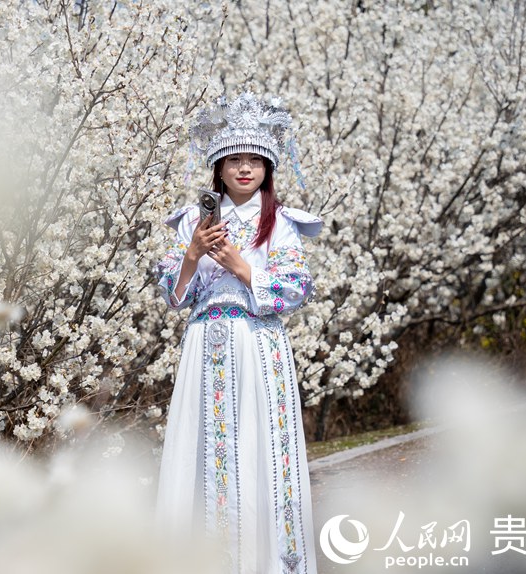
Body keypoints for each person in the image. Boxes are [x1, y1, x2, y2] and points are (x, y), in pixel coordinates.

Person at [155, 93, 322, 574]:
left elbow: (296, 289)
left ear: (268, 167)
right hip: (205, 345)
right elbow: (173, 295)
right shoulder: (192, 220)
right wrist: (192, 255)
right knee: (202, 449)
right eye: (235, 160)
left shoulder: (283, 223)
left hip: (258, 345)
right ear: (219, 167)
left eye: (255, 160)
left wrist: (241, 267)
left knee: (259, 451)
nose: (245, 169)